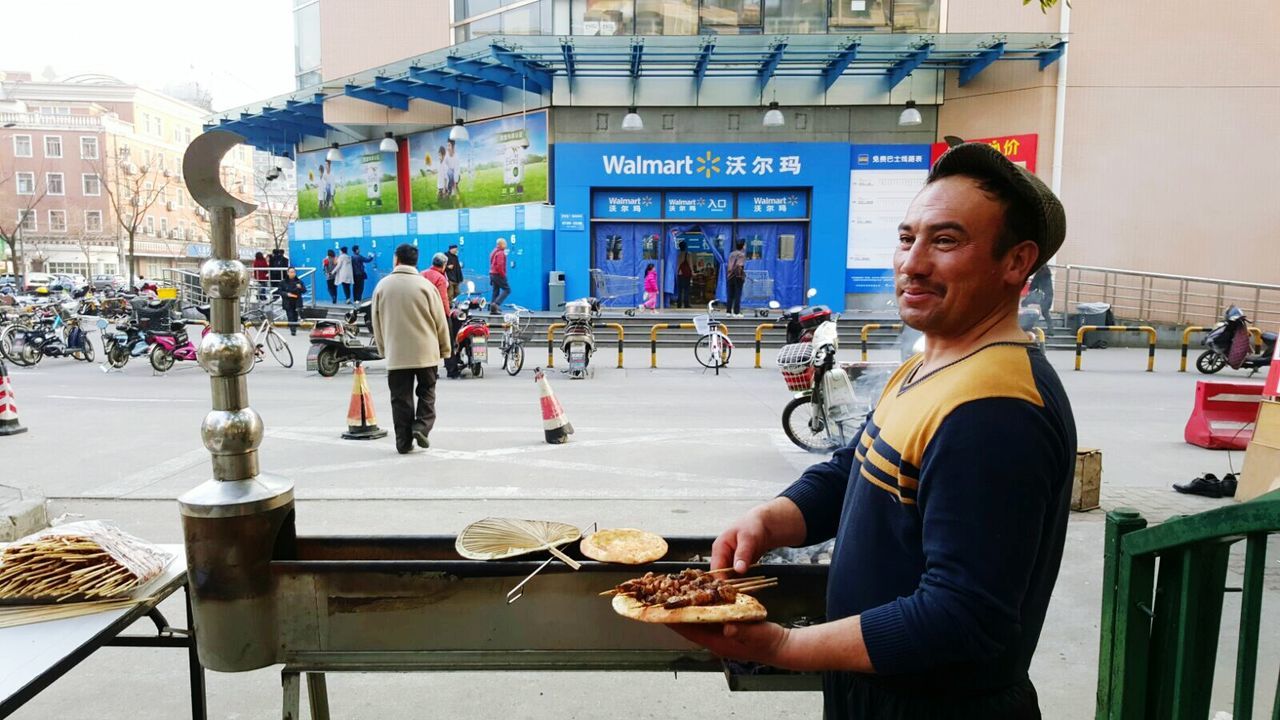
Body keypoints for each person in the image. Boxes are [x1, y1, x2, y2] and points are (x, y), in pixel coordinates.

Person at [675, 143, 1075, 720]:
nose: (911, 263)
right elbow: (853, 469)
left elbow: (962, 617)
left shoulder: (996, 408)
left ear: (1016, 263)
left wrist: (785, 646)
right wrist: (771, 519)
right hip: (878, 689)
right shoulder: (930, 362)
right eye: (907, 237)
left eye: (946, 241)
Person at [371, 244, 451, 455]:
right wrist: (445, 349)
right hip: (426, 352)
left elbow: (376, 321)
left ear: (396, 259)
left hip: (397, 354)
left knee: (400, 398)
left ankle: (403, 443)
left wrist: (383, 348)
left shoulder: (382, 286)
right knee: (427, 392)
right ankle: (421, 427)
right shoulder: (426, 287)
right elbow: (440, 320)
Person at [276, 267, 307, 336]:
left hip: (297, 302)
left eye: (294, 272)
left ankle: (294, 327)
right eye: (291, 272)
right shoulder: (283, 282)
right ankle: (293, 330)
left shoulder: (299, 281)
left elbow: (304, 291)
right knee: (290, 316)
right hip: (288, 301)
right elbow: (279, 291)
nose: (292, 273)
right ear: (288, 273)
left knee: (295, 316)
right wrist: (286, 294)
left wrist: (300, 287)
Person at [488, 237, 510, 313]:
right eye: (505, 243)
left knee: (495, 291)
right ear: (501, 244)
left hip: (492, 274)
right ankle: (496, 304)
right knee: (507, 289)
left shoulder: (494, 251)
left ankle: (493, 309)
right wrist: (503, 275)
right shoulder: (501, 253)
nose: (506, 245)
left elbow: (491, 263)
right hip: (498, 274)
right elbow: (500, 266)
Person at [726, 239, 747, 317]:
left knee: (730, 294)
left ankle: (728, 311)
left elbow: (729, 265)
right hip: (737, 276)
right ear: (743, 245)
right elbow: (739, 265)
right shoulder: (742, 255)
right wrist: (743, 274)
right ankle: (736, 312)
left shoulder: (731, 254)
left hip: (730, 275)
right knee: (738, 294)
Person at [675, 240, 693, 309]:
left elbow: (677, 265)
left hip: (679, 273)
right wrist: (692, 272)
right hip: (686, 274)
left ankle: (679, 304)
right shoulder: (688, 254)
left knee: (679, 290)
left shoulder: (678, 255)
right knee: (686, 289)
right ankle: (686, 303)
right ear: (686, 247)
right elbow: (690, 264)